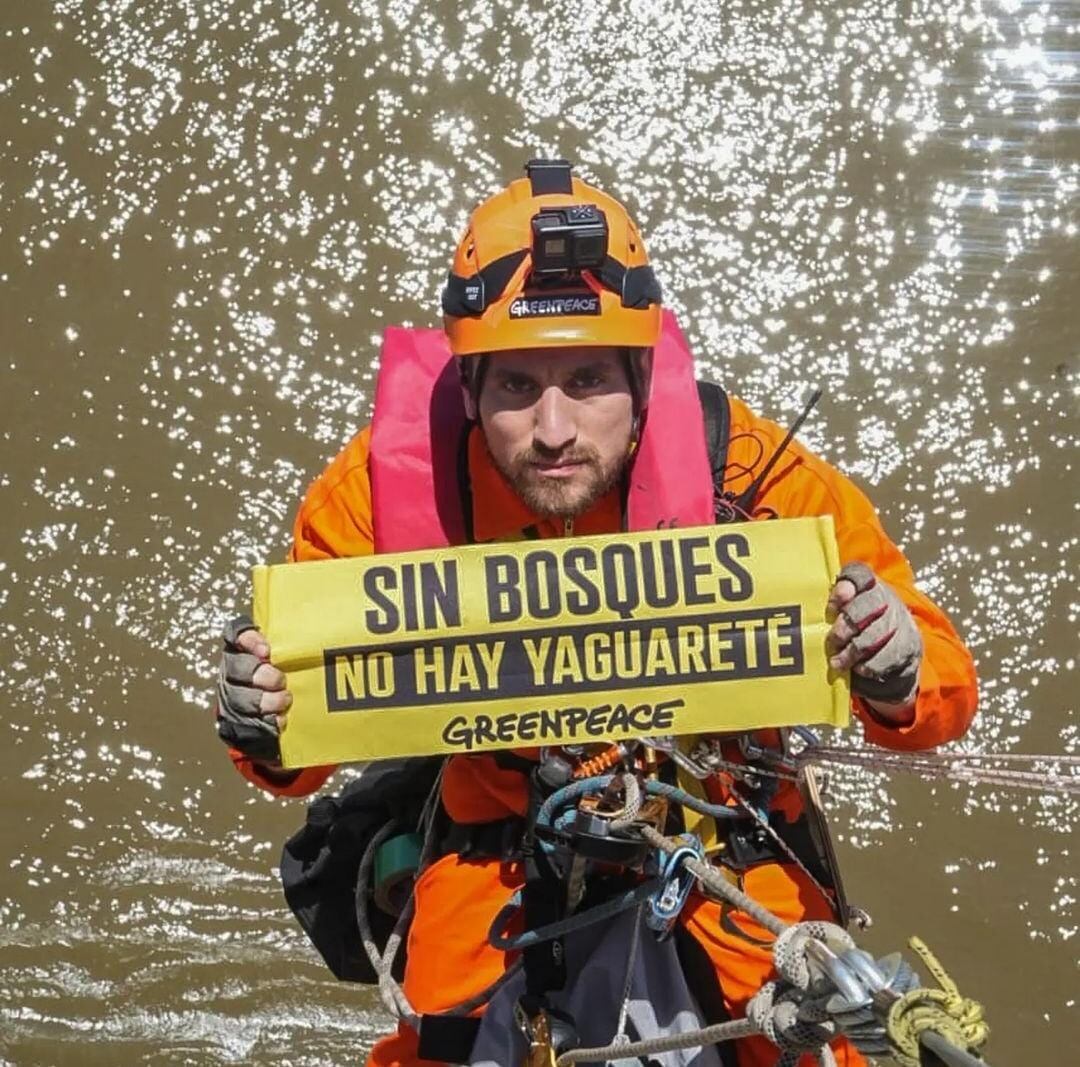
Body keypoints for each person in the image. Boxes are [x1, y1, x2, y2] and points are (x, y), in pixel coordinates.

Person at [214, 160, 978, 1067]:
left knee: (805, 1033)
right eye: (514, 388)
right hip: (497, 857)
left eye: (586, 379)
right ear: (469, 384)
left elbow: (940, 690)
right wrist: (259, 725)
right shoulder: (380, 492)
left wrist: (893, 672)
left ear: (642, 375)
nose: (552, 429)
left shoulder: (744, 472)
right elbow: (295, 749)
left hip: (719, 852)